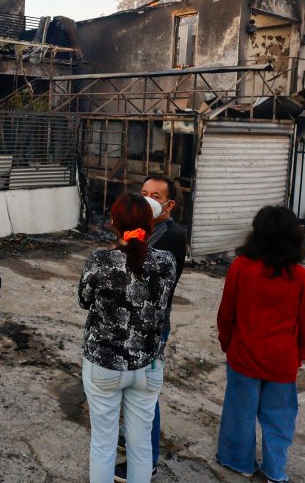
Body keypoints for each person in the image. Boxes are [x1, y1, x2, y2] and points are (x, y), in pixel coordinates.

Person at [79, 193, 178, 483]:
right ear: (150, 223)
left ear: (114, 222)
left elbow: (85, 301)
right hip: (148, 366)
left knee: (103, 443)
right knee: (141, 444)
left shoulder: (100, 261)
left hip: (104, 365)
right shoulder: (167, 262)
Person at [215, 205, 305, 483]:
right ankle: (275, 471)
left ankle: (239, 461)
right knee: (279, 420)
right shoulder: (301, 277)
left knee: (240, 413)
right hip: (282, 361)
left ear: (257, 233)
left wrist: (227, 343)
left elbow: (227, 313)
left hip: (244, 354)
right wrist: (300, 355)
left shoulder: (241, 267)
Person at [118, 176, 188, 478]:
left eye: (155, 196)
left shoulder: (168, 236)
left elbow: (136, 273)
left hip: (152, 324)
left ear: (169, 204)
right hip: (133, 321)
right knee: (134, 386)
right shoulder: (150, 230)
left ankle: (147, 459)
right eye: (144, 194)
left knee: (145, 394)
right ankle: (132, 437)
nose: (148, 200)